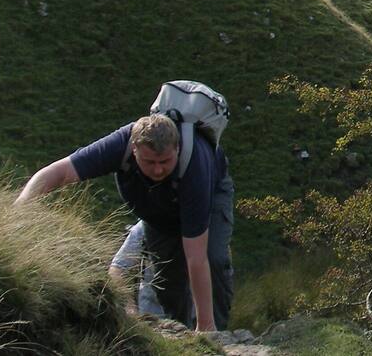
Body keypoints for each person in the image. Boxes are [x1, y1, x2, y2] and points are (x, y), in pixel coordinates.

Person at [16, 114, 234, 331]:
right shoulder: (118, 145)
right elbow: (57, 172)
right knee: (167, 278)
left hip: (209, 196)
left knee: (212, 257)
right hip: (157, 210)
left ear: (177, 148)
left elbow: (196, 256)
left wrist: (206, 327)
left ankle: (214, 333)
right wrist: (16, 212)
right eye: (149, 162)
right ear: (134, 149)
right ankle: (180, 332)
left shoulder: (195, 166)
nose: (158, 170)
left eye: (165, 161)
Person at [108, 220, 173, 320]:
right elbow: (117, 269)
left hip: (197, 321)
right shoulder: (145, 225)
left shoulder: (203, 223)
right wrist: (130, 308)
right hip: (151, 319)